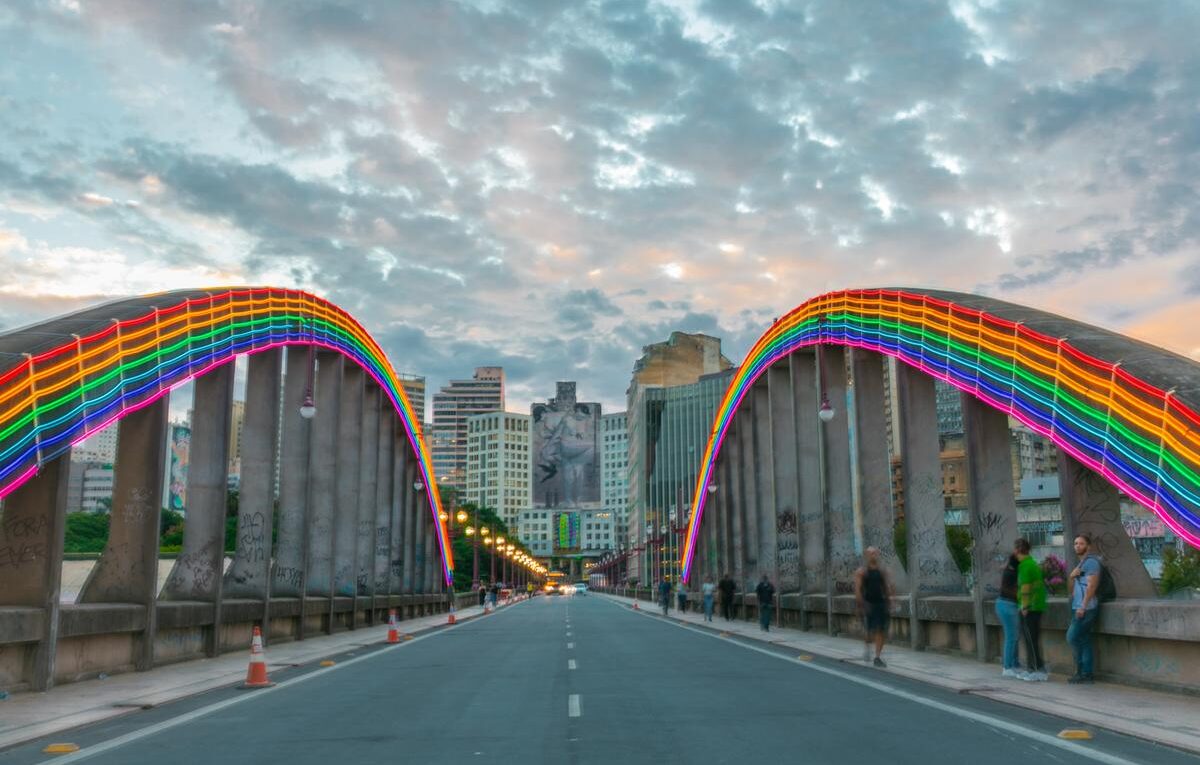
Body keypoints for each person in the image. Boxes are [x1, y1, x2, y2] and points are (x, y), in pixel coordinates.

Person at [1067, 534, 1101, 684]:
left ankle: (1081, 671)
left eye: (1081, 543)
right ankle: (1086, 674)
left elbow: (1092, 586)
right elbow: (1072, 589)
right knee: (1085, 639)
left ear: (1088, 546)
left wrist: (1083, 606)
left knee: (1072, 637)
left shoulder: (1091, 563)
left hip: (1086, 608)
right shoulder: (1081, 564)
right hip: (1078, 606)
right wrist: (1071, 576)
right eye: (1075, 543)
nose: (1077, 546)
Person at [854, 547, 893, 667]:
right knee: (869, 631)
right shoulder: (862, 571)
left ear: (878, 554)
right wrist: (861, 605)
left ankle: (877, 657)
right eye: (871, 553)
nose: (873, 555)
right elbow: (858, 589)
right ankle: (867, 647)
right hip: (868, 604)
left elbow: (887, 587)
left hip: (881, 603)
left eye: (875, 553)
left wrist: (890, 601)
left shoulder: (882, 571)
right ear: (867, 555)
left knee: (880, 630)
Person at [1015, 537, 1048, 681]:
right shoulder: (1032, 563)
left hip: (1031, 607)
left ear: (1017, 550)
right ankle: (1034, 667)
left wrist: (1025, 605)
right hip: (1037, 605)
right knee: (1032, 638)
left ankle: (1036, 669)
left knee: (1030, 638)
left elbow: (1026, 587)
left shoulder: (1025, 566)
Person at [996, 548, 1021, 679]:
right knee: (1011, 637)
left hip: (1003, 604)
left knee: (1013, 636)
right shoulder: (1013, 573)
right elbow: (1013, 592)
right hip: (1008, 605)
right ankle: (1007, 667)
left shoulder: (1008, 570)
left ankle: (1014, 663)